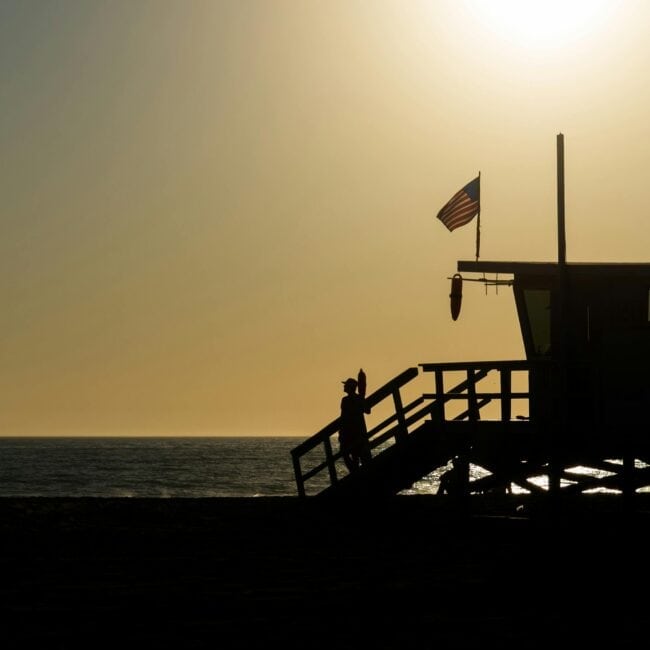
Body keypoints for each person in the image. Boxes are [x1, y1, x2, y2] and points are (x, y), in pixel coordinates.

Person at [338, 370, 371, 472]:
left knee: (349, 453)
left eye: (346, 385)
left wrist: (341, 433)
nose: (344, 387)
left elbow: (343, 418)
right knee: (363, 456)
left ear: (349, 388)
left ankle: (354, 471)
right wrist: (362, 398)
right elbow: (368, 410)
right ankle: (362, 472)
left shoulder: (345, 400)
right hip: (359, 432)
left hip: (350, 433)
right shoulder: (359, 398)